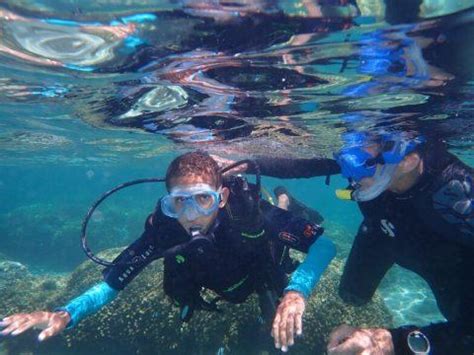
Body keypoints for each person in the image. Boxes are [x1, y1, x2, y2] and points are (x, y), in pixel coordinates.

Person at [0, 151, 335, 353]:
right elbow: (112, 282)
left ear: (222, 197)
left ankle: (285, 200)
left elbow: (324, 244)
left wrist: (296, 292)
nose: (190, 215)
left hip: (262, 264)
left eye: (203, 199)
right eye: (179, 202)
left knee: (272, 287)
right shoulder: (165, 228)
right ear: (168, 202)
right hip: (224, 283)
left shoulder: (248, 211)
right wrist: (64, 314)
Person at [214, 133, 474, 354]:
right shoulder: (377, 161)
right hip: (381, 234)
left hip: (451, 267)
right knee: (351, 295)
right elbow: (305, 166)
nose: (349, 173)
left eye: (358, 163)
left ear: (408, 159)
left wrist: (391, 342)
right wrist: (246, 164)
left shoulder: (460, 198)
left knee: (462, 322)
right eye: (344, 158)